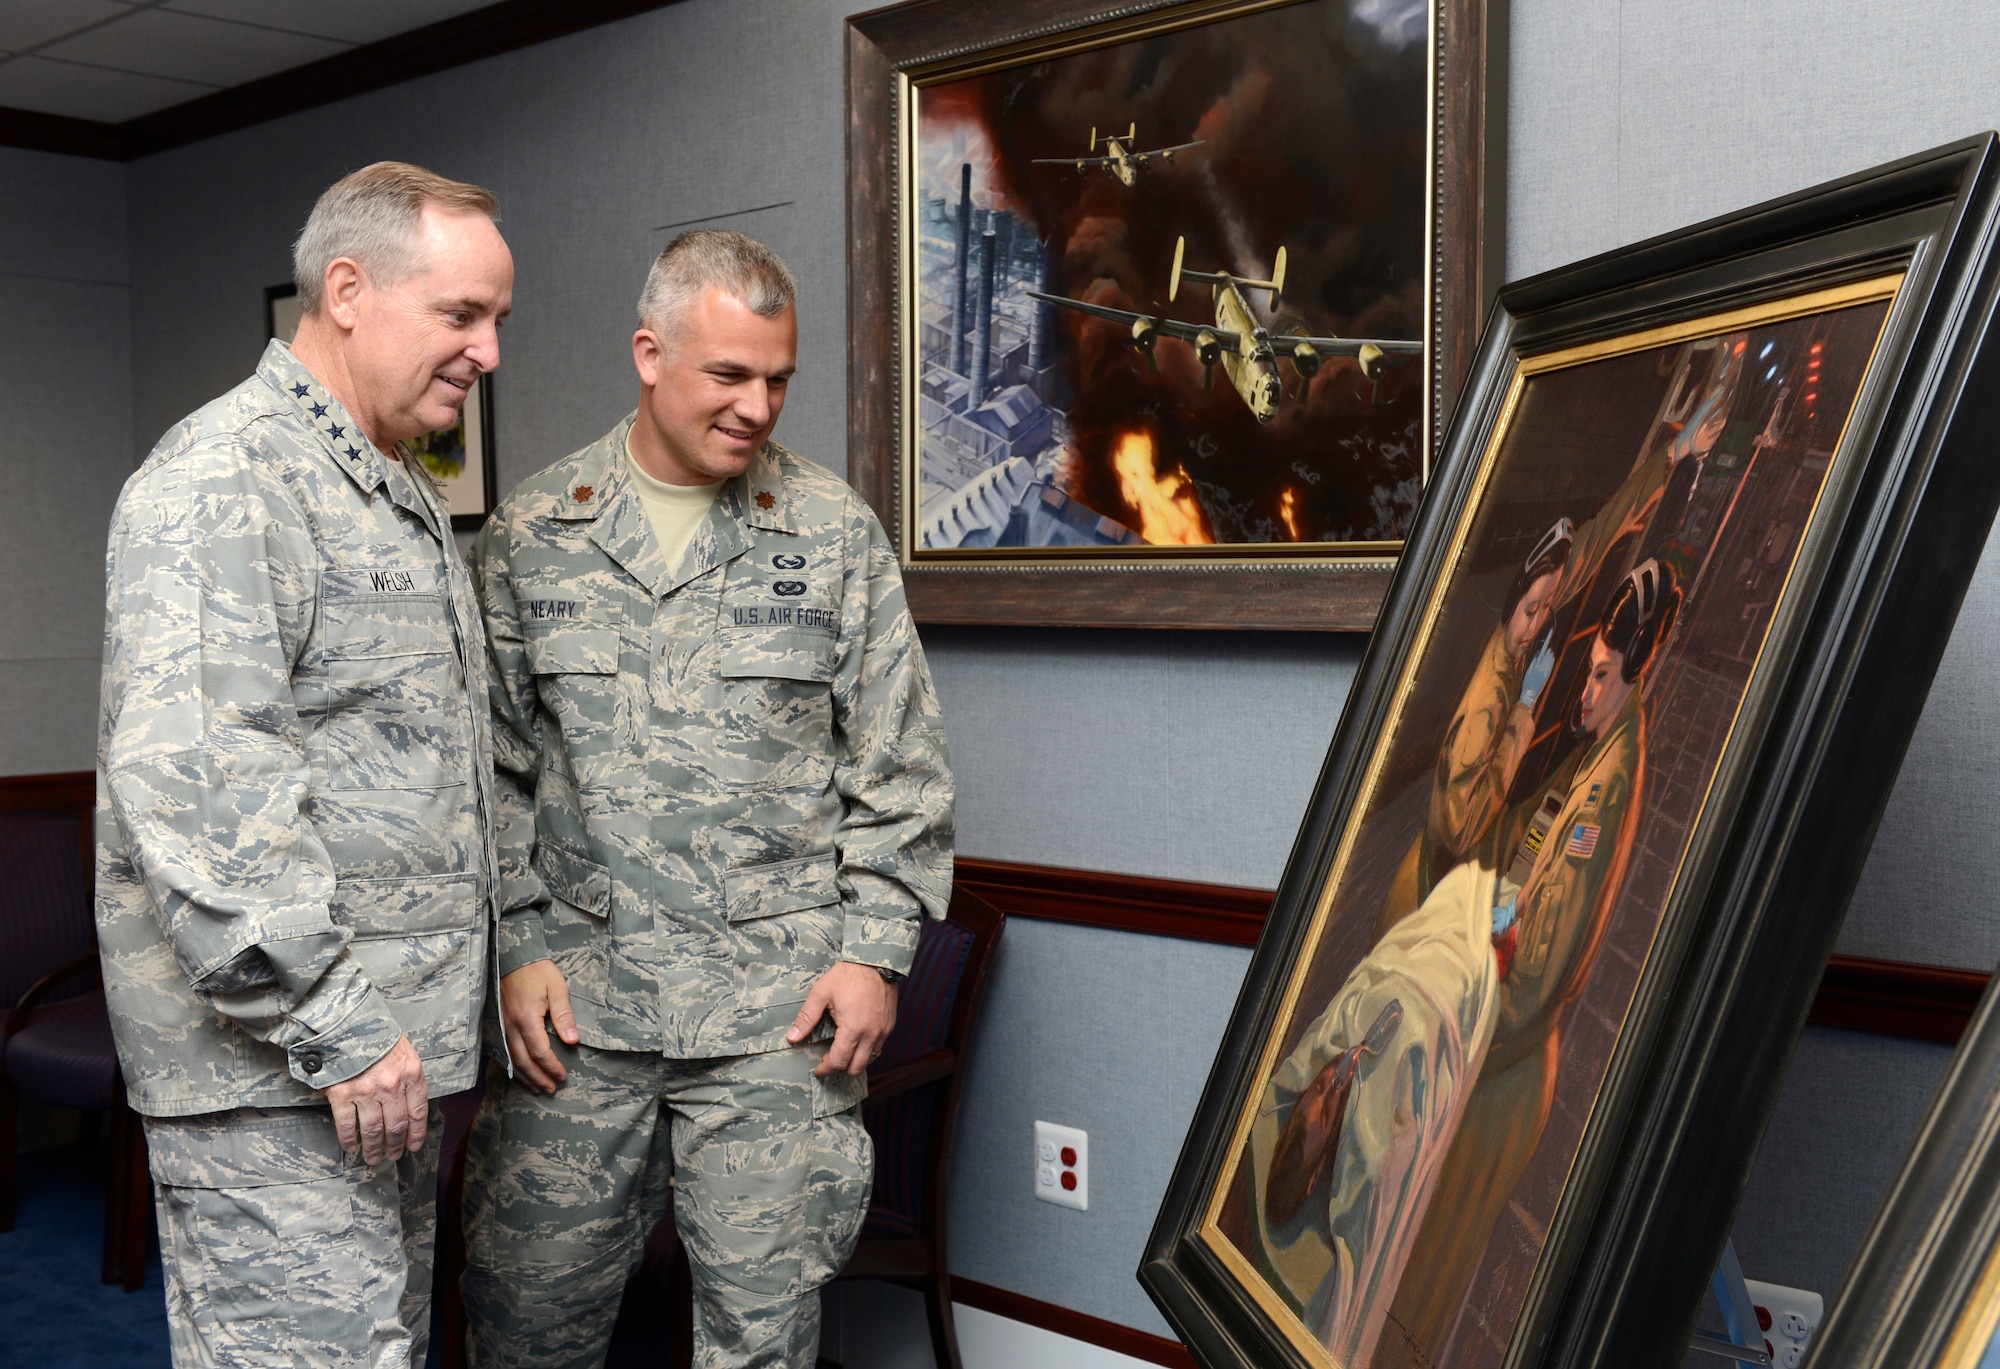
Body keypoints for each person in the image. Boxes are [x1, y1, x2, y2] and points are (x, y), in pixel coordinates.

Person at [461, 229, 954, 1369]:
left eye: (777, 378)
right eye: (727, 375)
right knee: (526, 1318)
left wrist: (874, 955)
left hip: (774, 1018)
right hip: (577, 1008)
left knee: (762, 1339)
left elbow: (901, 766)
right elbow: (493, 767)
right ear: (649, 352)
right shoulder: (536, 533)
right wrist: (518, 942)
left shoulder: (829, 534)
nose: (757, 406)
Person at [96, 162, 512, 1367]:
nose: (486, 350)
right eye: (459, 314)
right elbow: (207, 796)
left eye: (496, 319)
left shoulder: (384, 485)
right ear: (345, 290)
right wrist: (335, 1023)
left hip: (371, 1064)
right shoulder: (225, 479)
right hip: (281, 1071)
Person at [1247, 558, 1679, 1367]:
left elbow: (1539, 975)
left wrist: (1458, 980)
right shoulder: (1591, 755)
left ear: (1636, 671)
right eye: (1583, 673)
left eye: (1601, 678)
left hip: (1492, 1072)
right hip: (1475, 1020)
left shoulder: (1609, 787)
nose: (1585, 694)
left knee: (1408, 1277)